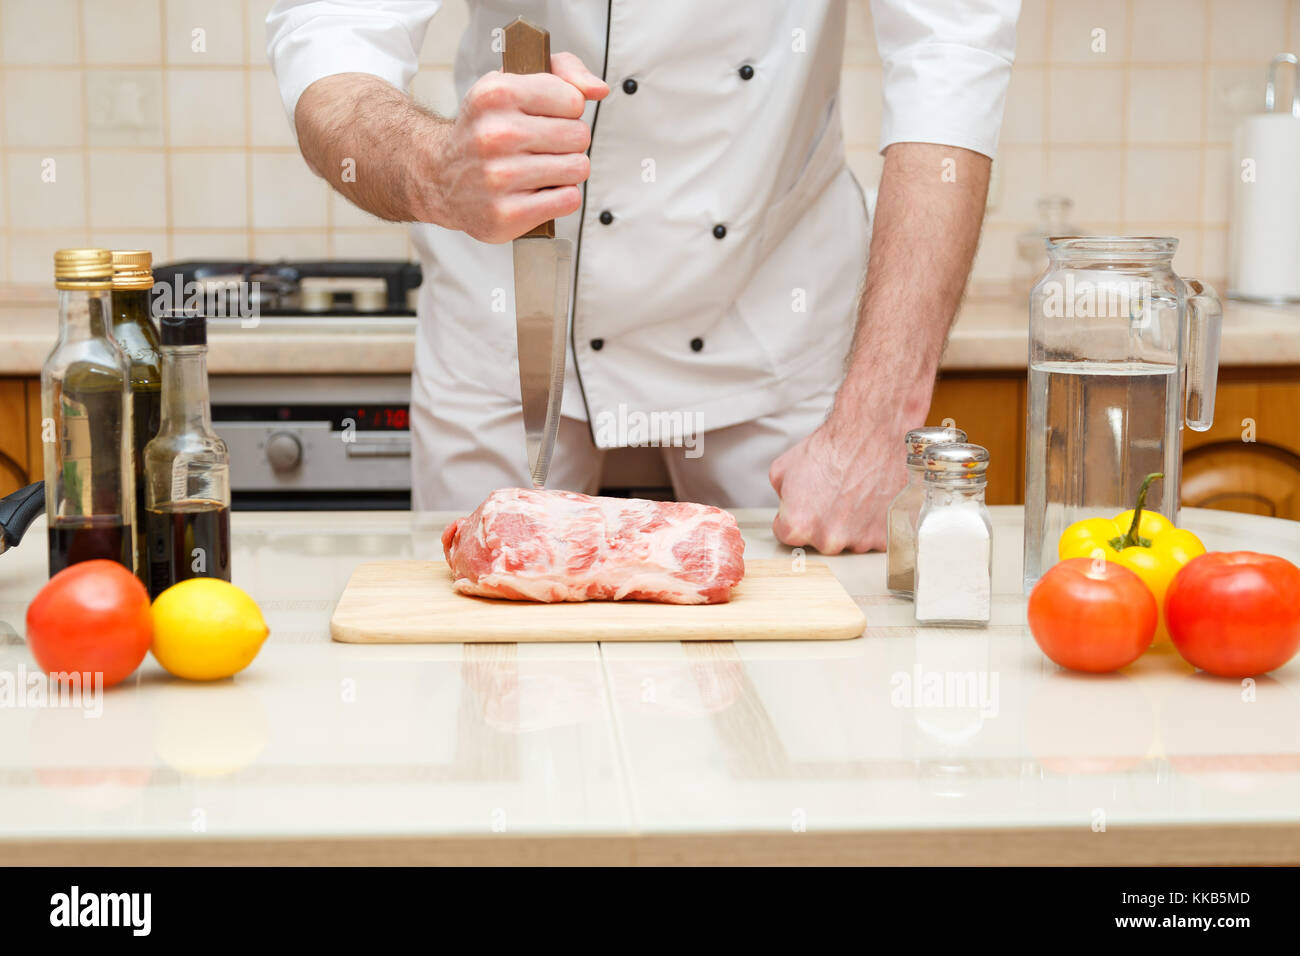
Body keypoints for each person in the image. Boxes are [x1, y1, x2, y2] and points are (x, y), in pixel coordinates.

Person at [267, 0, 1019, 553]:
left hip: (772, 310)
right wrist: (435, 169)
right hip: (510, 308)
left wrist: (880, 421)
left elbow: (951, 58)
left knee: (809, 698)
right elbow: (332, 41)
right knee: (485, 682)